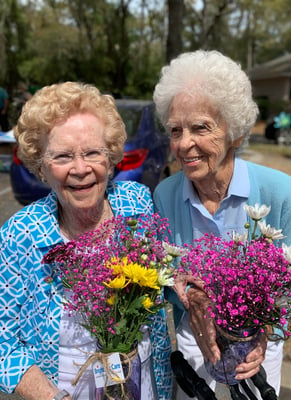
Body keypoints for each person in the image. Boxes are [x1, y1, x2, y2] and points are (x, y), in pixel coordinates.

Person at [0, 82, 172, 400]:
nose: (81, 169)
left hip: (147, 387)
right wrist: (51, 397)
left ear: (110, 159)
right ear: (41, 167)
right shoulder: (20, 236)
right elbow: (2, 343)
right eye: (63, 156)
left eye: (93, 152)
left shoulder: (137, 204)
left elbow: (168, 273)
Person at [153, 50, 291, 399]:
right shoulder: (165, 195)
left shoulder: (281, 193)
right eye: (176, 130)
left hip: (257, 354)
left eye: (200, 127)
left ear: (233, 130)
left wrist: (266, 337)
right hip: (195, 349)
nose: (184, 143)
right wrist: (191, 298)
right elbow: (162, 281)